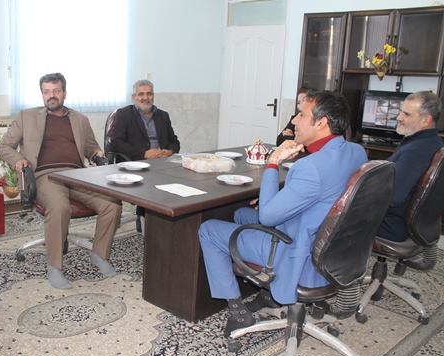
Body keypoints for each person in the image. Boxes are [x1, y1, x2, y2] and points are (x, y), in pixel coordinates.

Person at [198, 90, 367, 338]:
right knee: (242, 214)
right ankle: (268, 295)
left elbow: (267, 217)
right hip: (332, 250)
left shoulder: (310, 167)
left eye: (301, 115)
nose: (294, 120)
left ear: (321, 122)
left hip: (297, 254)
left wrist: (273, 161)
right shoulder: (357, 152)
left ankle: (238, 311)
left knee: (209, 230)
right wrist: (278, 199)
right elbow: (322, 196)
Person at [0, 72, 123, 290]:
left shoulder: (80, 120)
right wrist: (19, 160)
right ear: (42, 94)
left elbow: (90, 147)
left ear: (64, 93)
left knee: (112, 204)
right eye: (46, 92)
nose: (51, 96)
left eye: (56, 91)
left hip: (77, 175)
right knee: (59, 206)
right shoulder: (26, 117)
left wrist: (96, 154)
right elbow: (4, 146)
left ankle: (99, 254)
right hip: (46, 176)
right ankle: (54, 267)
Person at [376, 91, 443, 270]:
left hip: (393, 226)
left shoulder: (415, 151)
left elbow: (393, 197)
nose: (399, 117)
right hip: (412, 224)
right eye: (401, 111)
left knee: (331, 216)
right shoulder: (433, 143)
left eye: (406, 114)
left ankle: (338, 275)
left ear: (425, 120)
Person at [110, 79, 180, 231]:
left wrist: (169, 151)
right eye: (141, 94)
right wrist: (144, 153)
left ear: (153, 96)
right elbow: (115, 143)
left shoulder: (163, 115)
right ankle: (146, 220)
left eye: (149, 94)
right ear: (133, 97)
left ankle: (171, 222)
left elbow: (175, 141)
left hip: (163, 162)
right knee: (153, 181)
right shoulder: (124, 114)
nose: (145, 97)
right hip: (138, 163)